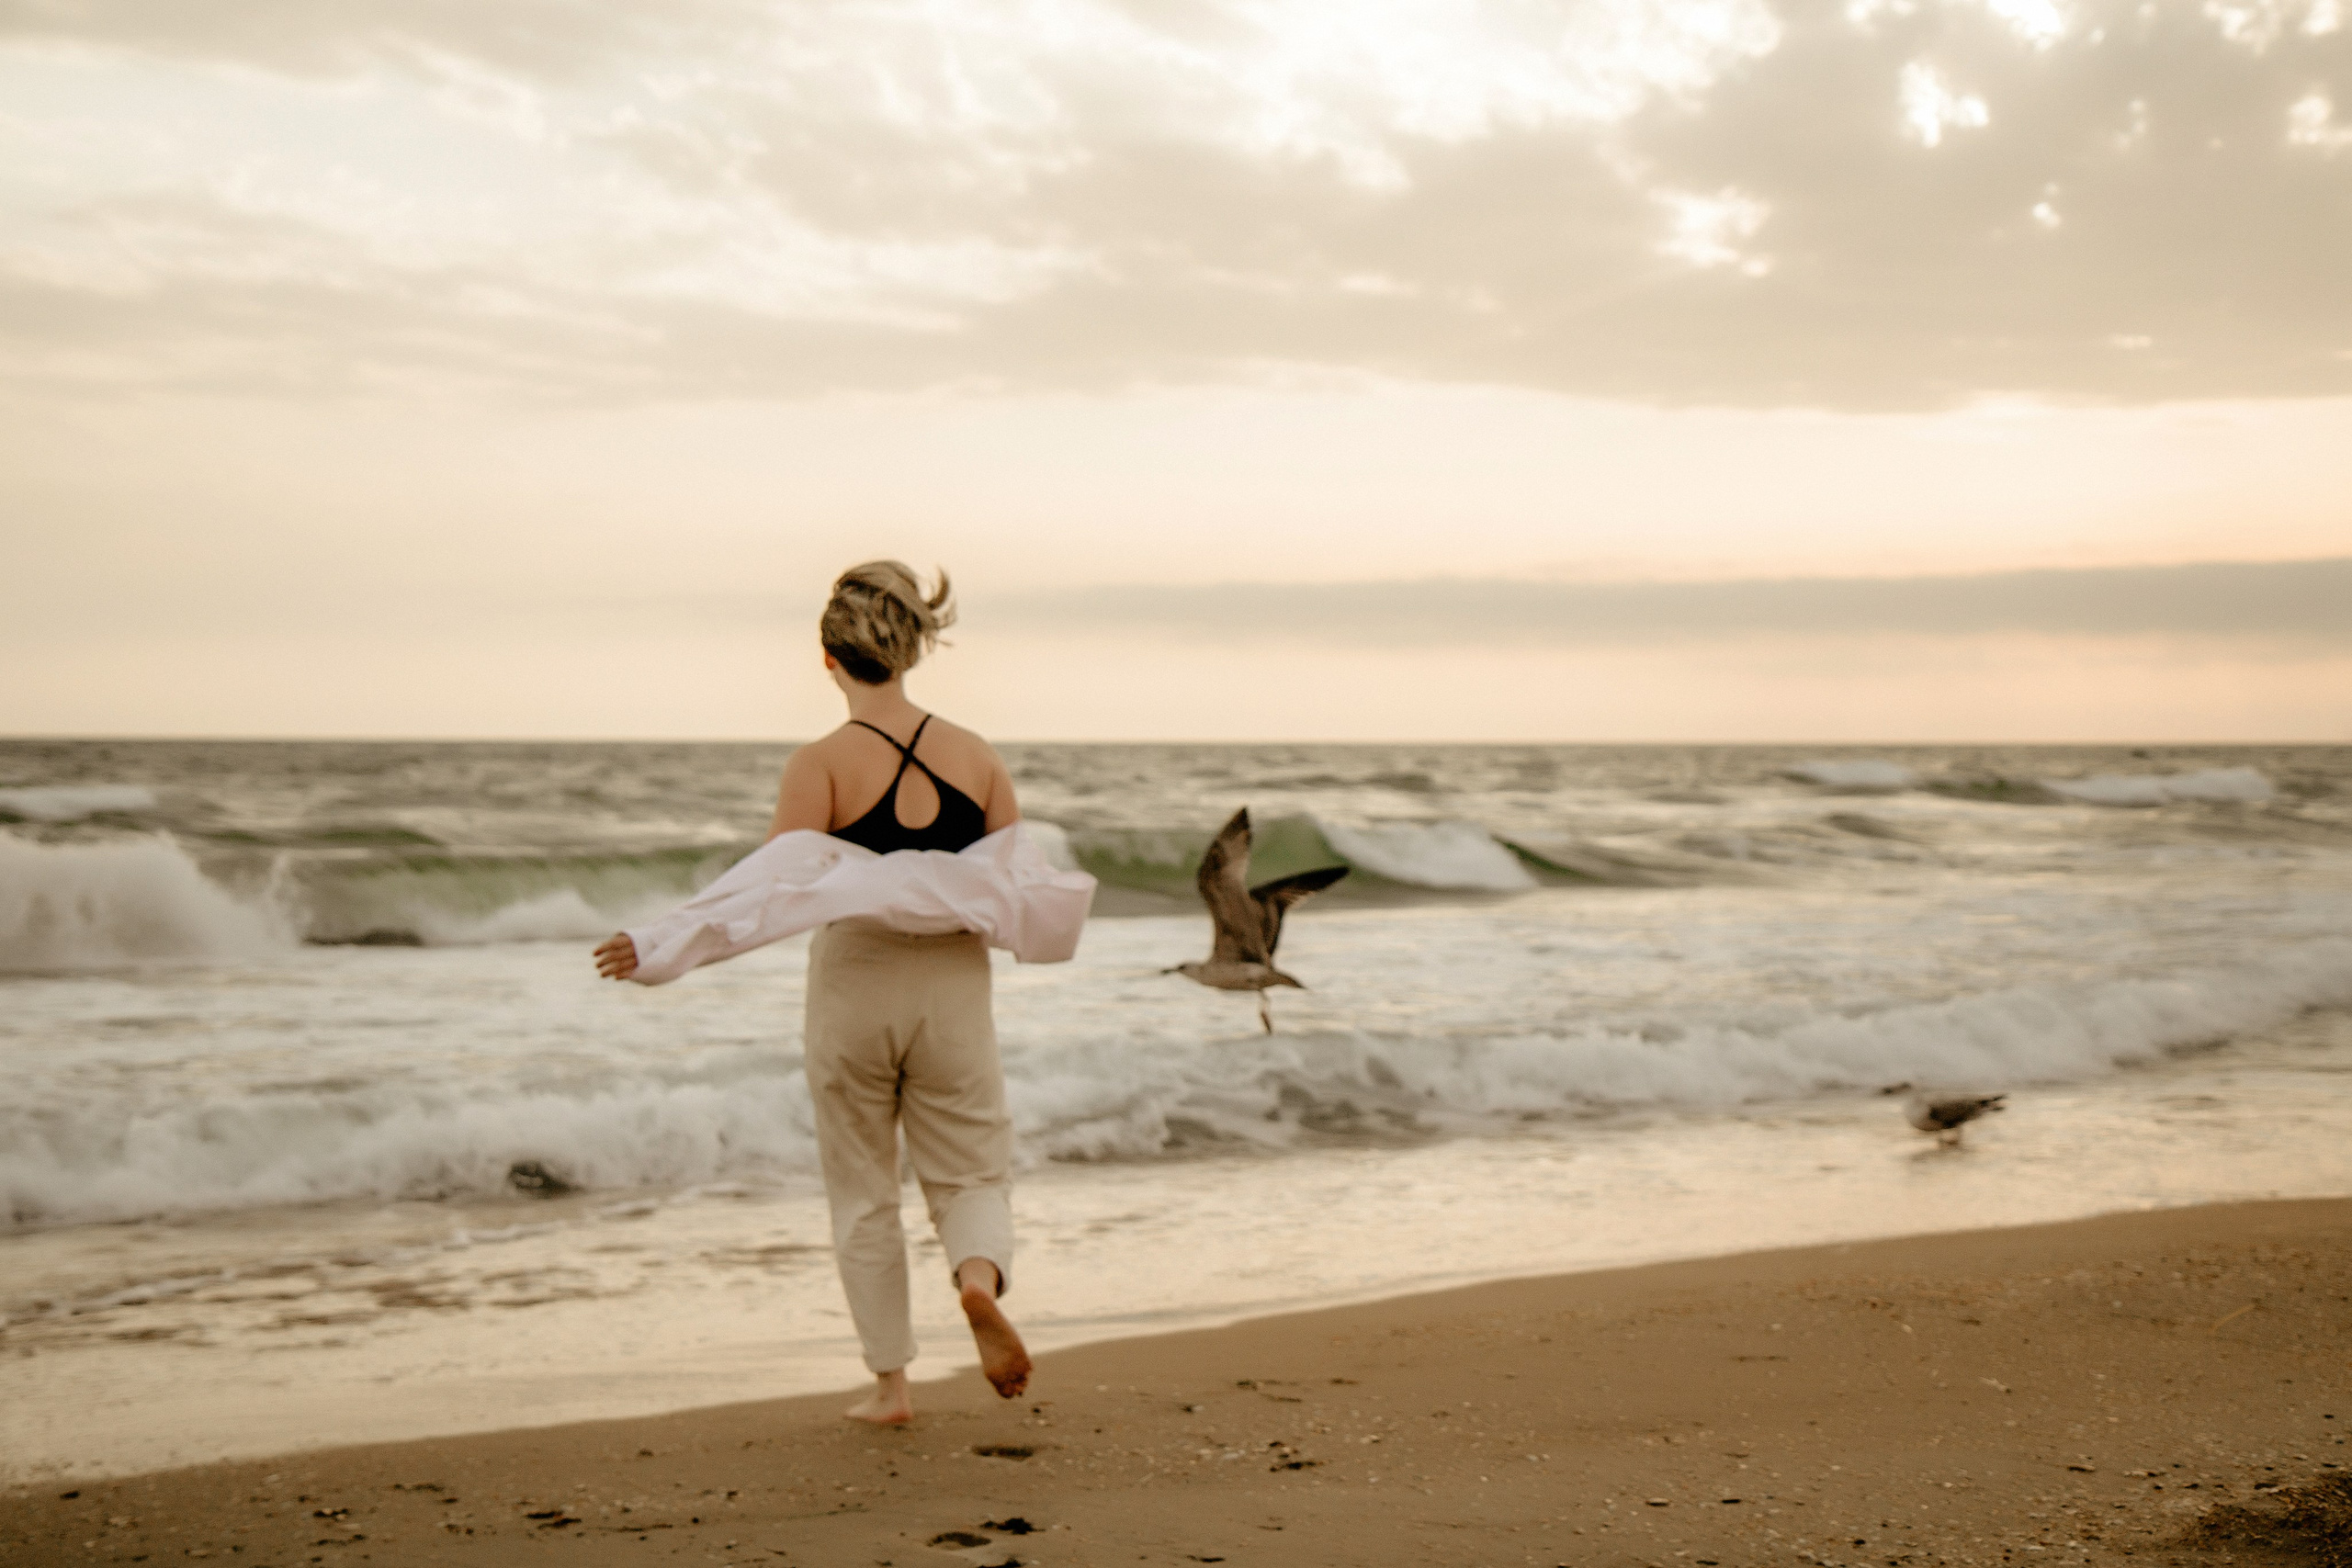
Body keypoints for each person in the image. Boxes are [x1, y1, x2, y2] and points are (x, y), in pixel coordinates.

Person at [593, 561, 1032, 1426]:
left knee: (863, 1187)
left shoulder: (821, 763)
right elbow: (1011, 889)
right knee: (972, 1167)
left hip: (854, 979)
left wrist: (656, 944)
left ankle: (890, 1387)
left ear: (828, 657)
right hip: (951, 981)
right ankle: (977, 1283)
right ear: (913, 648)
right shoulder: (976, 757)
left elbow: (762, 892)